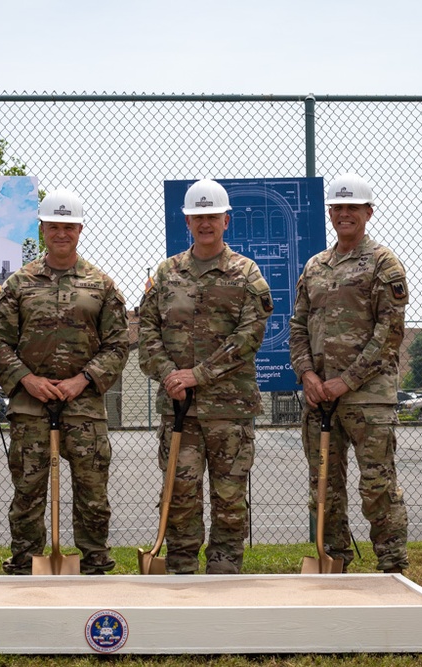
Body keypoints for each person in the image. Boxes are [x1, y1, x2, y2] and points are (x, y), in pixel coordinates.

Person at [0, 188, 129, 575]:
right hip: (31, 405)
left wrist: (83, 380)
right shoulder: (18, 284)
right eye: (53, 227)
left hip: (83, 406)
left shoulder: (101, 285)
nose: (61, 233)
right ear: (42, 230)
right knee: (28, 493)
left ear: (80, 229)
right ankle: (26, 563)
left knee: (92, 493)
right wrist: (25, 380)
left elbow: (118, 343)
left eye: (68, 226)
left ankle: (95, 561)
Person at [138, 178, 273, 574]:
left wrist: (198, 374)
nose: (205, 223)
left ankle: (224, 568)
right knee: (179, 494)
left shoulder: (245, 274)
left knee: (229, 497)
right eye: (198, 217)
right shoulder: (165, 274)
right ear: (187, 221)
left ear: (227, 220)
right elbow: (146, 333)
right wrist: (169, 375)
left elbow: (250, 336)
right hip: (178, 408)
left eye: (212, 216)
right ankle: (180, 569)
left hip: (228, 410)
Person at [288, 173, 410, 574]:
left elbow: (389, 333)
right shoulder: (315, 266)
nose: (344, 214)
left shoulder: (383, 263)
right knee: (324, 489)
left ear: (368, 212)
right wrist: (307, 375)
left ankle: (391, 565)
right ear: (330, 213)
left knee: (377, 486)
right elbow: (298, 326)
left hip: (367, 398)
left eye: (352, 208)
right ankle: (333, 561)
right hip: (320, 397)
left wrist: (347, 380)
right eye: (338, 208)